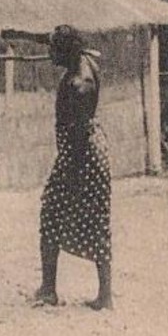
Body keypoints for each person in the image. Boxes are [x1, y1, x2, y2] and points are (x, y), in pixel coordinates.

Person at [35, 25, 114, 311]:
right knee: (98, 220)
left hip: (82, 154)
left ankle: (48, 290)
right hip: (88, 150)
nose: (48, 54)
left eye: (53, 50)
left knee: (51, 211)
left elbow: (78, 132)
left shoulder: (79, 84)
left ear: (65, 52)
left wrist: (72, 173)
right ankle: (104, 295)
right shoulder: (85, 58)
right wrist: (19, 35)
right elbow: (51, 39)